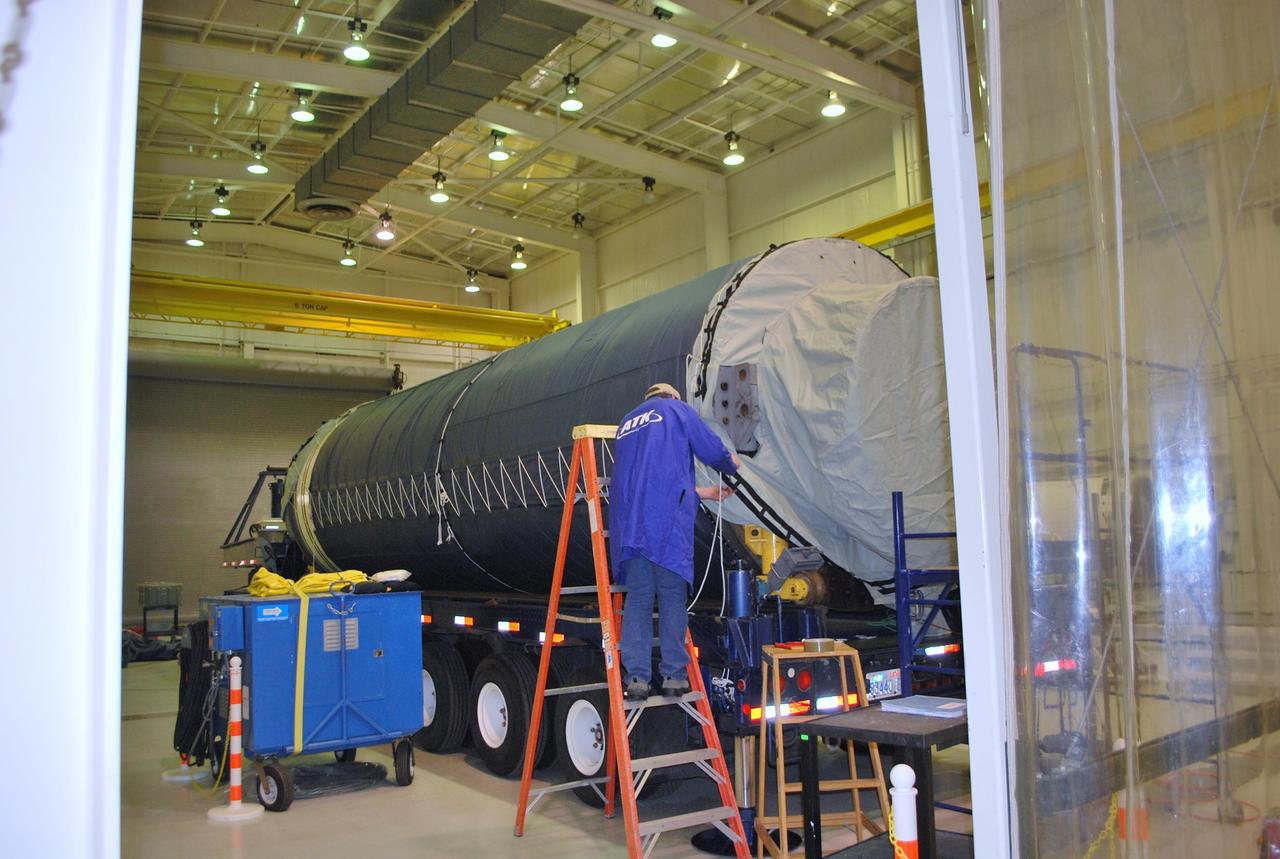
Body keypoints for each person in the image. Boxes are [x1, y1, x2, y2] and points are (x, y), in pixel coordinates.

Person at [610, 381, 739, 700]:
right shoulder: (677, 411)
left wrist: (705, 493)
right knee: (671, 597)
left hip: (632, 529)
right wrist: (729, 464)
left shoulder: (626, 423)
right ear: (674, 397)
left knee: (638, 600)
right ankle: (673, 676)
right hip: (666, 529)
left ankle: (637, 678)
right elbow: (710, 450)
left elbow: (654, 482)